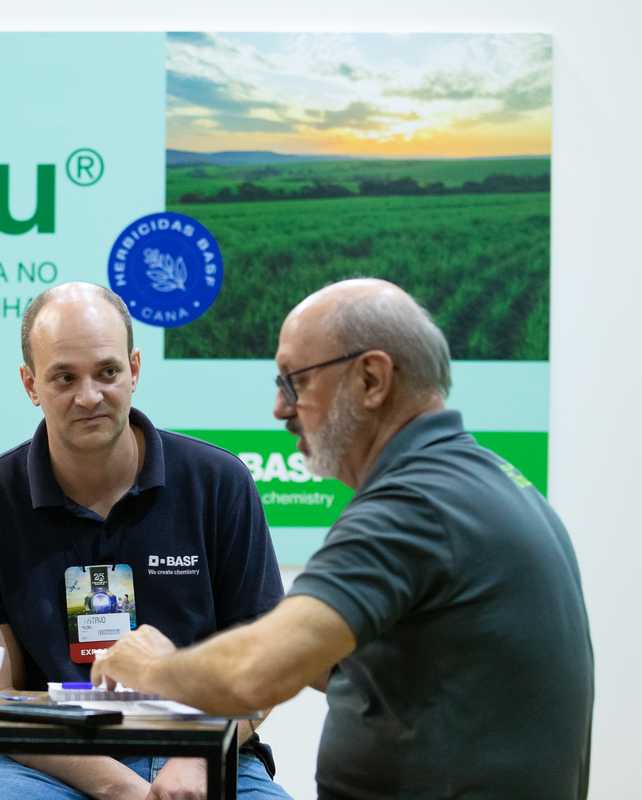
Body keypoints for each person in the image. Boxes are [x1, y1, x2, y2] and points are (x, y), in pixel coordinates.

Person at [91, 279, 594, 800]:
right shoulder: (486, 478)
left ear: (372, 379)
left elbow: (255, 674)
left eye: (295, 383)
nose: (280, 410)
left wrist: (150, 665)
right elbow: (356, 665)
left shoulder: (411, 506)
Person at [0, 282, 290, 799]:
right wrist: (122, 788)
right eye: (63, 377)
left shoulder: (219, 481)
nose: (89, 396)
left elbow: (265, 662)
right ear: (30, 385)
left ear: (135, 369)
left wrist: (195, 758)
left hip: (205, 748)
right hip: (49, 763)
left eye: (107, 371)